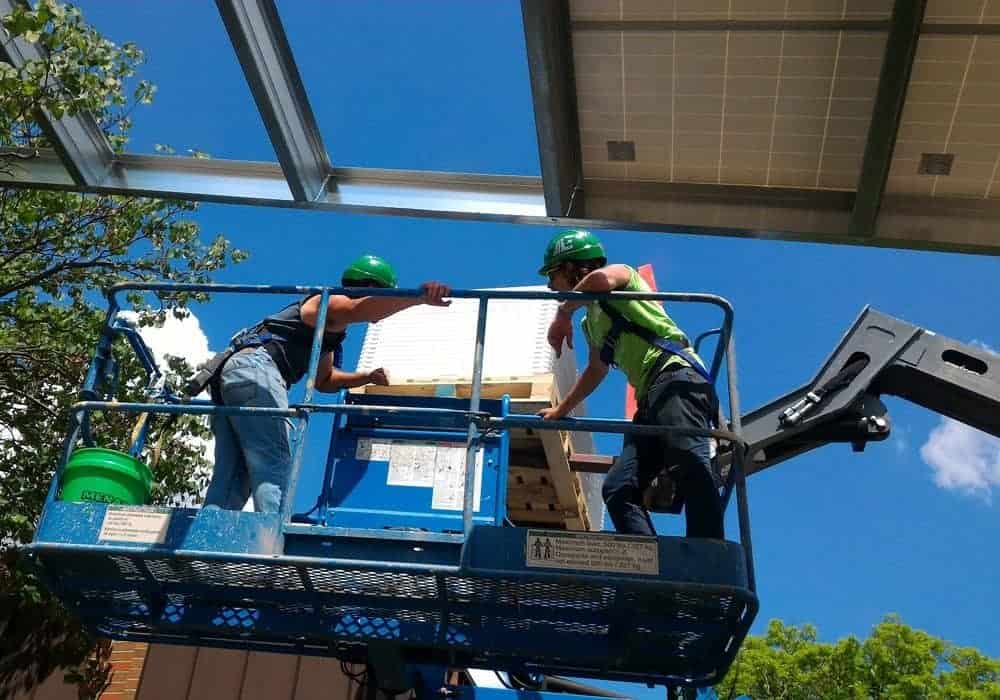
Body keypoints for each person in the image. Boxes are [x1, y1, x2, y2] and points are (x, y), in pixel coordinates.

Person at [202, 255, 451, 512]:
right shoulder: (328, 301)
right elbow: (358, 309)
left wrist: (366, 377)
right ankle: (272, 533)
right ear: (370, 288)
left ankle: (207, 538)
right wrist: (418, 297)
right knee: (274, 458)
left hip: (236, 377)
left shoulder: (329, 329)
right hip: (256, 370)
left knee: (234, 471)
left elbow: (325, 380)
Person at [536, 230, 723, 539]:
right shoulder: (590, 322)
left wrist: (562, 312)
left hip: (676, 376)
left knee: (688, 459)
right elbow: (597, 369)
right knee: (619, 488)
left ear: (573, 267)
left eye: (553, 274)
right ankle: (654, 568)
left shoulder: (621, 274)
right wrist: (561, 410)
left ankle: (708, 553)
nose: (549, 285)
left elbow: (600, 281)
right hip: (651, 398)